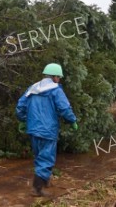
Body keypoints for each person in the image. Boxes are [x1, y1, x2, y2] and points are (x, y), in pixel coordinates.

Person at [16, 63, 77, 196]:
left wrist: (22, 120)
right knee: (46, 158)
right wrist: (72, 121)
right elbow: (64, 108)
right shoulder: (56, 90)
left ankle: (46, 180)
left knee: (39, 156)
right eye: (59, 77)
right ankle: (37, 188)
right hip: (48, 130)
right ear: (55, 77)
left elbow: (20, 106)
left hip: (33, 129)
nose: (59, 80)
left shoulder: (33, 88)